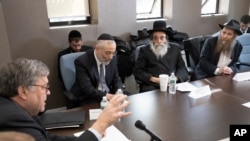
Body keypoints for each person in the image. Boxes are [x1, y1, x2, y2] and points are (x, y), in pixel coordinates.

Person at [0, 58, 131, 141]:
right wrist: (101, 125)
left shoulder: (17, 110)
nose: (49, 92)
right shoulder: (13, 119)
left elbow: (46, 138)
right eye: (44, 87)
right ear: (23, 91)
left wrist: (92, 134)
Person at [70, 33, 124, 108]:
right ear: (97, 49)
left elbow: (116, 78)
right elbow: (87, 88)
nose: (111, 57)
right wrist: (107, 96)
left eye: (113, 52)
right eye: (108, 53)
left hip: (108, 94)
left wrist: (119, 91)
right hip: (89, 97)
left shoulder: (113, 58)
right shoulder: (82, 62)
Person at [134, 20, 189, 92]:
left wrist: (175, 78)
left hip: (172, 84)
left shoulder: (175, 48)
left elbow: (182, 68)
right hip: (152, 85)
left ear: (166, 38)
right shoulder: (144, 50)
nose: (159, 41)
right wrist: (153, 79)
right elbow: (138, 71)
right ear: (152, 39)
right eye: (155, 38)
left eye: (162, 38)